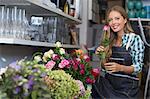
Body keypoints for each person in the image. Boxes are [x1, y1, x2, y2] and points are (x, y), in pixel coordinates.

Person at [91, 5, 145, 99]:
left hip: (127, 88)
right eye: (110, 20)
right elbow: (105, 68)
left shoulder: (134, 39)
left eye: (117, 18)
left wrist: (120, 68)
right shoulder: (108, 40)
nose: (113, 22)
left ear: (125, 20)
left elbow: (138, 67)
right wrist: (102, 55)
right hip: (109, 84)